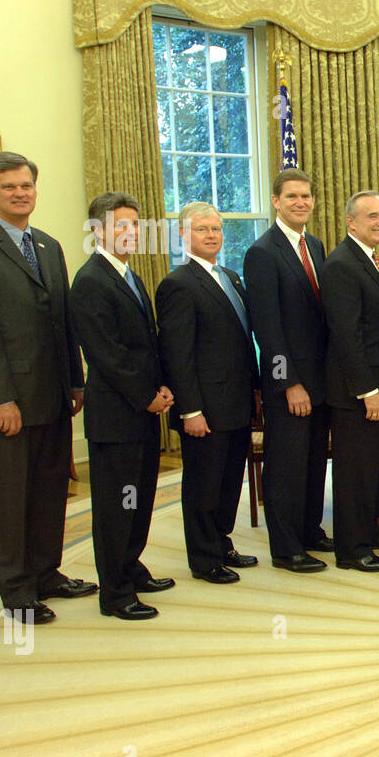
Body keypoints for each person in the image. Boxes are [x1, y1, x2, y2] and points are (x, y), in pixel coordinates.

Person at [0, 151, 94, 624]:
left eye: (26, 185)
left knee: (50, 491)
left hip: (53, 397)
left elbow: (63, 322)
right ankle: (17, 590)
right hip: (7, 402)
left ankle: (47, 573)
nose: (19, 193)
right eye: (9, 186)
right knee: (10, 498)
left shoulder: (48, 246)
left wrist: (75, 380)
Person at [70, 192, 176, 620]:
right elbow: (105, 353)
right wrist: (146, 396)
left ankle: (131, 566)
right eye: (121, 226)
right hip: (117, 416)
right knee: (116, 507)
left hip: (144, 412)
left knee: (141, 498)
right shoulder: (91, 279)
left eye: (135, 225)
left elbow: (147, 345)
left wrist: (163, 387)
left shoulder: (131, 276)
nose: (130, 233)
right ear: (98, 230)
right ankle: (115, 594)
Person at [155, 202, 260, 584]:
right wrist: (190, 410)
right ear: (184, 234)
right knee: (203, 484)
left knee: (230, 479)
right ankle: (204, 559)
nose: (212, 235)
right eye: (202, 229)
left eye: (216, 228)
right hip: (204, 408)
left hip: (236, 401)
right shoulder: (177, 284)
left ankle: (221, 542)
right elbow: (177, 354)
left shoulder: (230, 277)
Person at [243, 167, 332, 573]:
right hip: (290, 383)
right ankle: (286, 547)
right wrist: (289, 383)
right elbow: (268, 327)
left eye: (307, 196)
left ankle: (310, 530)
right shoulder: (262, 252)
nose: (301, 202)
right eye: (292, 196)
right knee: (287, 467)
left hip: (321, 379)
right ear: (276, 201)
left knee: (314, 461)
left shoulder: (314, 244)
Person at [321, 191, 379, 573]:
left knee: (372, 467)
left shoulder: (370, 260)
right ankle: (352, 550)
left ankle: (368, 532)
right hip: (358, 393)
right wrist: (368, 390)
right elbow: (346, 335)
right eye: (372, 216)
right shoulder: (341, 264)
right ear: (351, 222)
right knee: (355, 472)